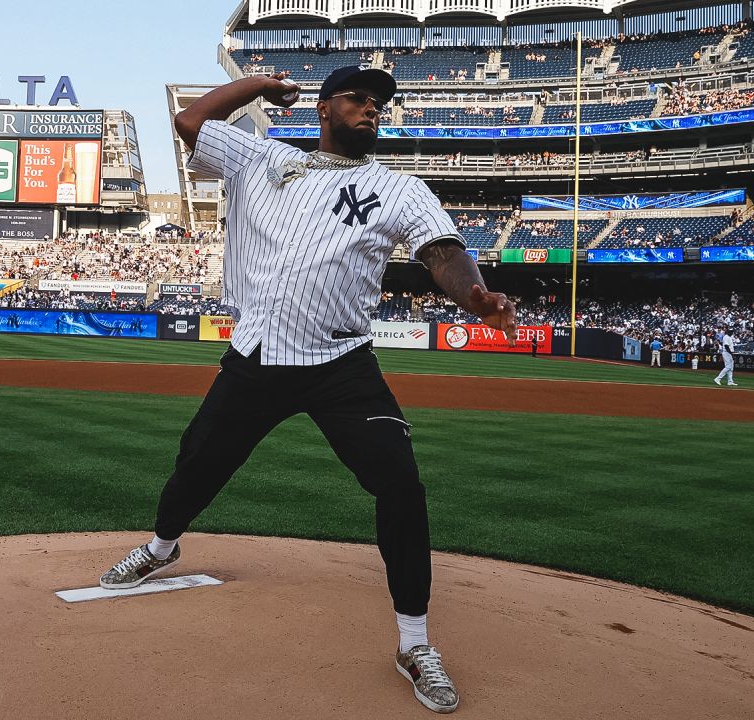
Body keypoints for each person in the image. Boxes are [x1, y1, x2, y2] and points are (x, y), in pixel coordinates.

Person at [97, 65, 516, 714]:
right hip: (260, 357)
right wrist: (259, 85)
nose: (373, 108)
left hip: (343, 365)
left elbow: (443, 252)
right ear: (324, 108)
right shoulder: (265, 158)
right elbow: (189, 124)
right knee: (197, 463)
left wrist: (474, 292)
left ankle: (413, 644)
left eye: (381, 103)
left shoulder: (397, 187)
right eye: (359, 98)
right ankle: (162, 547)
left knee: (401, 484)